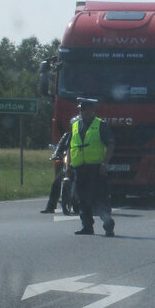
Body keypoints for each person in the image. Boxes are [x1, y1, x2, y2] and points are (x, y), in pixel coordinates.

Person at [68, 97, 116, 237]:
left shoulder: (101, 125)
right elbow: (71, 146)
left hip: (96, 169)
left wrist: (105, 163)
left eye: (83, 109)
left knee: (99, 198)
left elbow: (110, 145)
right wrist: (68, 165)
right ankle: (87, 227)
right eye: (80, 109)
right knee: (83, 199)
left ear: (91, 111)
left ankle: (108, 225)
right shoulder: (76, 125)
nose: (81, 112)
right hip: (80, 168)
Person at [40, 131, 71, 213]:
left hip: (82, 165)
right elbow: (60, 146)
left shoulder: (87, 134)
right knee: (56, 183)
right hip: (69, 164)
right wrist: (56, 154)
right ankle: (50, 207)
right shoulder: (67, 136)